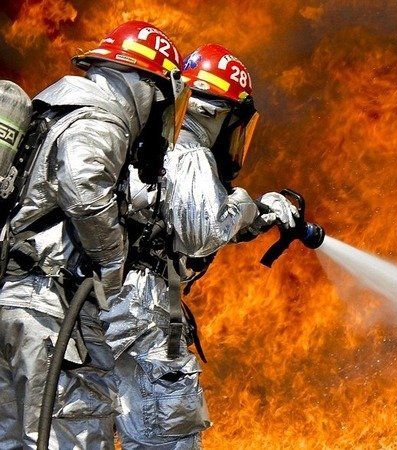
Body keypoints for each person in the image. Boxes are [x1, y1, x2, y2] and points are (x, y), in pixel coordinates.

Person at [0, 21, 188, 449]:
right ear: (144, 88)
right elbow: (84, 190)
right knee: (72, 432)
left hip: (11, 298)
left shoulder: (54, 109)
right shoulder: (101, 118)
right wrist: (112, 263)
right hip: (47, 308)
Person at [102, 43, 297, 449]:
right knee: (166, 433)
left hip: (106, 302)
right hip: (143, 309)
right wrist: (247, 204)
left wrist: (259, 217)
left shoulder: (149, 141)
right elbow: (203, 231)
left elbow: (174, 219)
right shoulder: (189, 150)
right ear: (223, 113)